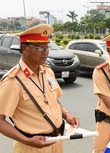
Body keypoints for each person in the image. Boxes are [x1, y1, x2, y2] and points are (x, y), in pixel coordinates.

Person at [0, 24, 79, 153]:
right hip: (31, 147)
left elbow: (53, 100)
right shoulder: (13, 81)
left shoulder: (48, 72)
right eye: (40, 47)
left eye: (47, 47)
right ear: (25, 48)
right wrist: (26, 140)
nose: (46, 52)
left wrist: (66, 114)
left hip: (56, 142)